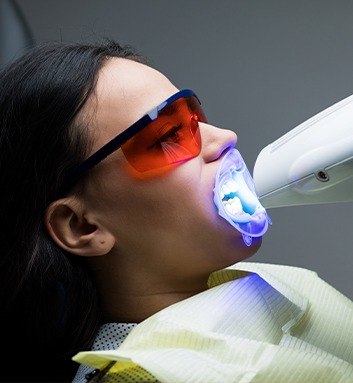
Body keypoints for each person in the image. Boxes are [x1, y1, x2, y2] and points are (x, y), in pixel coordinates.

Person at [1, 41, 352, 383]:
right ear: (81, 226)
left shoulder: (270, 287)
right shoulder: (142, 374)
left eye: (196, 118)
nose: (224, 137)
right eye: (168, 135)